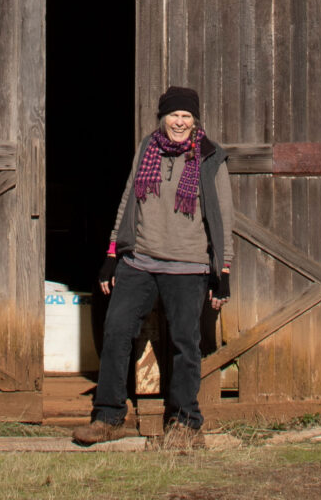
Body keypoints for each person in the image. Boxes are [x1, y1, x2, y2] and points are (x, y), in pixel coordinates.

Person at [72, 86, 234, 448]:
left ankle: (185, 425)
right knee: (116, 331)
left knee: (184, 343)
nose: (179, 122)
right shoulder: (147, 149)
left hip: (188, 265)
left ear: (195, 121)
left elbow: (224, 218)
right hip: (139, 260)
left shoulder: (210, 157)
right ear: (163, 118)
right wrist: (113, 255)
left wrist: (222, 271)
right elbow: (128, 203)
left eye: (186, 117)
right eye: (174, 115)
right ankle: (109, 416)